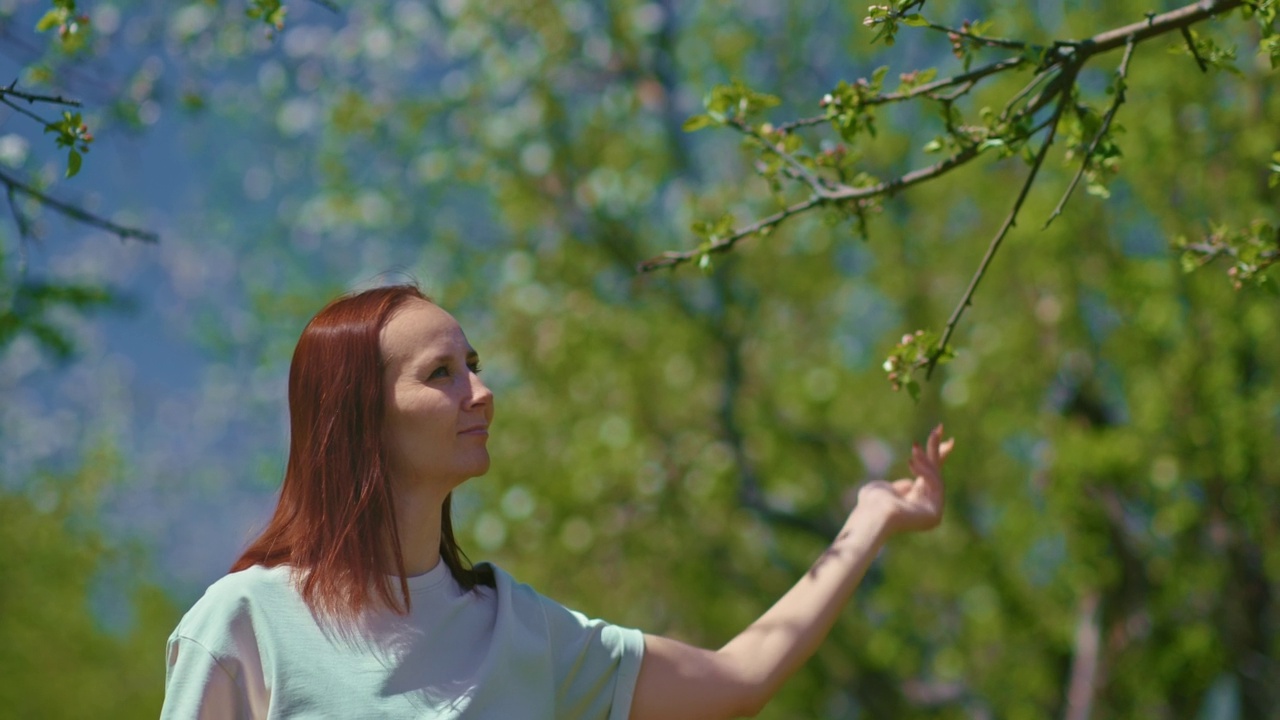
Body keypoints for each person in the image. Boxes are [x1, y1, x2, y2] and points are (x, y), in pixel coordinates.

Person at [160, 284, 954, 719]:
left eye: (473, 363)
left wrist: (870, 519)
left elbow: (737, 679)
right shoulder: (243, 624)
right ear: (359, 417)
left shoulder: (526, 631)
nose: (483, 391)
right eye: (441, 375)